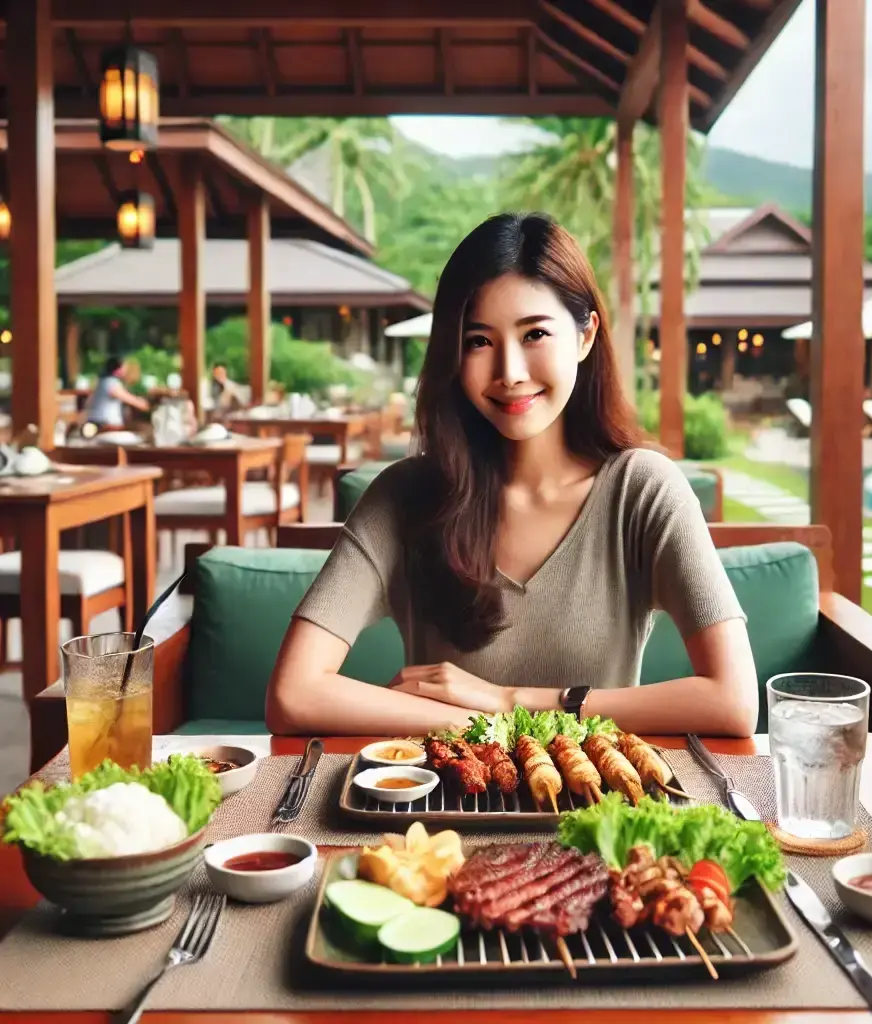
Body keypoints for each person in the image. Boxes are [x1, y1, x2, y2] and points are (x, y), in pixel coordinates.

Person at [267, 213, 758, 738]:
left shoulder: (643, 492)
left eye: (535, 334)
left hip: (595, 809)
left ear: (586, 335)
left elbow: (733, 701)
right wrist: (482, 721)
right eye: (479, 341)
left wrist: (511, 702)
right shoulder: (406, 496)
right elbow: (293, 692)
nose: (510, 372)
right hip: (447, 810)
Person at [83, 356, 149, 428]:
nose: (125, 370)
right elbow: (130, 400)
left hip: (95, 422)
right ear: (118, 370)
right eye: (124, 368)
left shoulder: (101, 382)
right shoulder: (111, 383)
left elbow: (88, 402)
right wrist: (142, 403)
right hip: (107, 425)